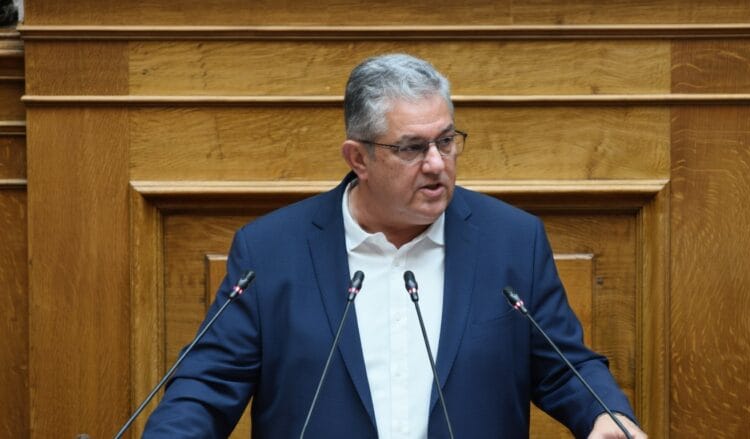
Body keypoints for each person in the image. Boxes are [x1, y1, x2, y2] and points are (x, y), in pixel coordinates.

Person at [143, 54, 647, 438]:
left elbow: (564, 365)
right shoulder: (270, 252)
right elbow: (208, 383)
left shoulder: (512, 241)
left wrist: (605, 413)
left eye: (445, 141)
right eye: (411, 148)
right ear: (358, 158)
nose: (436, 164)